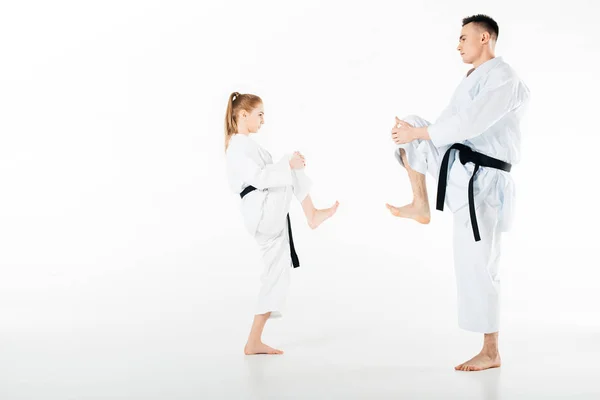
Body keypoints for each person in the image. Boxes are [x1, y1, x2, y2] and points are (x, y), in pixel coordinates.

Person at [386, 15, 530, 371]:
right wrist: (415, 135)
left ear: (485, 38)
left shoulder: (503, 78)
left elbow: (469, 124)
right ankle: (421, 203)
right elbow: (444, 129)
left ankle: (491, 351)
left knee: (480, 265)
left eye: (463, 37)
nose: (458, 44)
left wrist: (420, 137)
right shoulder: (471, 80)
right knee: (414, 123)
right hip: (464, 172)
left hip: (486, 181)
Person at [224, 92, 339, 355]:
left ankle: (254, 341)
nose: (263, 120)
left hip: (265, 214)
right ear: (243, 115)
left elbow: (269, 175)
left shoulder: (243, 145)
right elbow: (261, 178)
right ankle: (311, 215)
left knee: (275, 274)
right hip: (262, 211)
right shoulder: (238, 146)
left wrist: (287, 166)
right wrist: (288, 164)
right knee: (290, 160)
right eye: (259, 114)